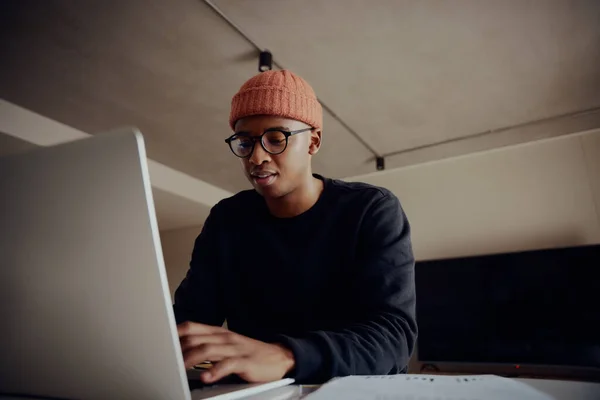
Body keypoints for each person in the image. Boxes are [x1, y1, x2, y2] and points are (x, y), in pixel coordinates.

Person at [174, 70, 417, 384]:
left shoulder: (370, 209)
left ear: (313, 142)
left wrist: (286, 355)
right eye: (245, 143)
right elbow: (191, 320)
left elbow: (393, 338)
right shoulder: (227, 219)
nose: (257, 157)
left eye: (276, 139)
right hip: (261, 392)